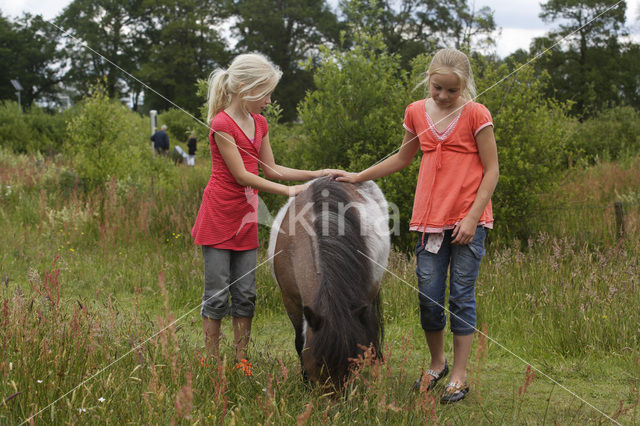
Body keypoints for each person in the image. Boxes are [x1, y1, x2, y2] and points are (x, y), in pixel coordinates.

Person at [336, 48, 499, 404]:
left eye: (451, 91)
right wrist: (359, 176)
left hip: (468, 223)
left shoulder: (476, 114)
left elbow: (492, 170)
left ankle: (458, 375)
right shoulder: (415, 112)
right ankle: (436, 364)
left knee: (460, 297)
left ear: (465, 87)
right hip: (429, 223)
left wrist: (472, 217)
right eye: (437, 87)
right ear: (429, 79)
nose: (442, 96)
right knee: (428, 297)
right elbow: (402, 157)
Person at [191, 53, 342, 363]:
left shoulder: (260, 123)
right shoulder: (222, 124)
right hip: (219, 216)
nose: (270, 101)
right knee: (217, 293)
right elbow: (242, 175)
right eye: (266, 93)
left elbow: (270, 169)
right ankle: (211, 361)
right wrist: (289, 191)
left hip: (246, 218)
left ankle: (242, 360)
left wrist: (314, 175)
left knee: (245, 293)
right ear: (246, 88)